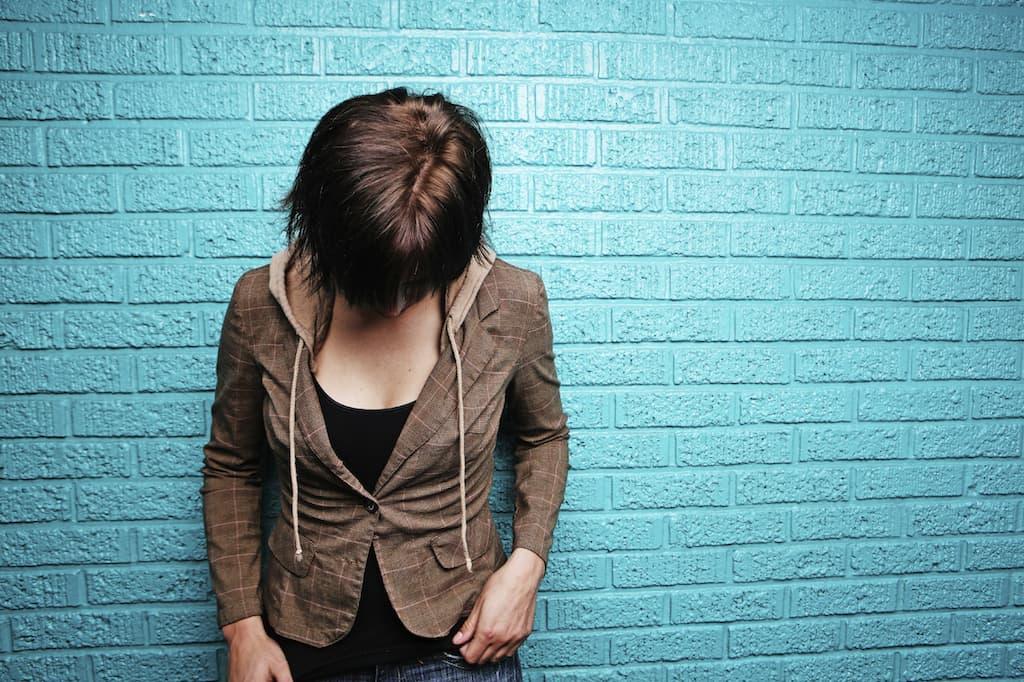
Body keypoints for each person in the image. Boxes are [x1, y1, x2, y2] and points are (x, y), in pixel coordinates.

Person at [199, 87, 571, 682]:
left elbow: (545, 437)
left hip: (461, 647)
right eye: (379, 278)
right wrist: (241, 625)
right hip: (301, 653)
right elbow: (232, 467)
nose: (399, 303)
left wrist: (525, 568)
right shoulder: (258, 306)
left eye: (421, 278)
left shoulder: (512, 301)